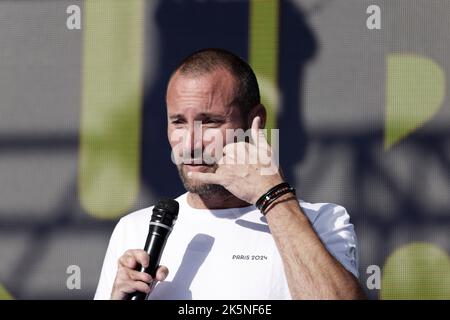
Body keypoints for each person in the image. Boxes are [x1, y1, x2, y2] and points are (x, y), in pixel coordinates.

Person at [94, 48, 365, 300]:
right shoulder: (134, 229)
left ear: (253, 121)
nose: (189, 145)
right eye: (178, 122)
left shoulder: (323, 222)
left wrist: (274, 197)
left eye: (210, 121)